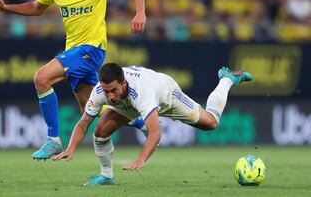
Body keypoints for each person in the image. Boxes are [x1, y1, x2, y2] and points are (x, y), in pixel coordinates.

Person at [0, 0, 146, 160]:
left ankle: (53, 140)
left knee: (41, 78)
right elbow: (37, 7)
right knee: (91, 110)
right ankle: (141, 122)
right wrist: (6, 8)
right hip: (74, 49)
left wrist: (140, 13)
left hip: (92, 49)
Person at [52, 63, 252, 186]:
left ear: (122, 83)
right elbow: (83, 122)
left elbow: (156, 133)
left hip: (167, 96)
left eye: (113, 90)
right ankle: (106, 175)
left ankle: (226, 80)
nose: (110, 96)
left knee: (211, 123)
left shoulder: (142, 92)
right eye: (106, 91)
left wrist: (140, 160)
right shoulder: (101, 91)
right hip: (129, 104)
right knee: (100, 130)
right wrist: (71, 148)